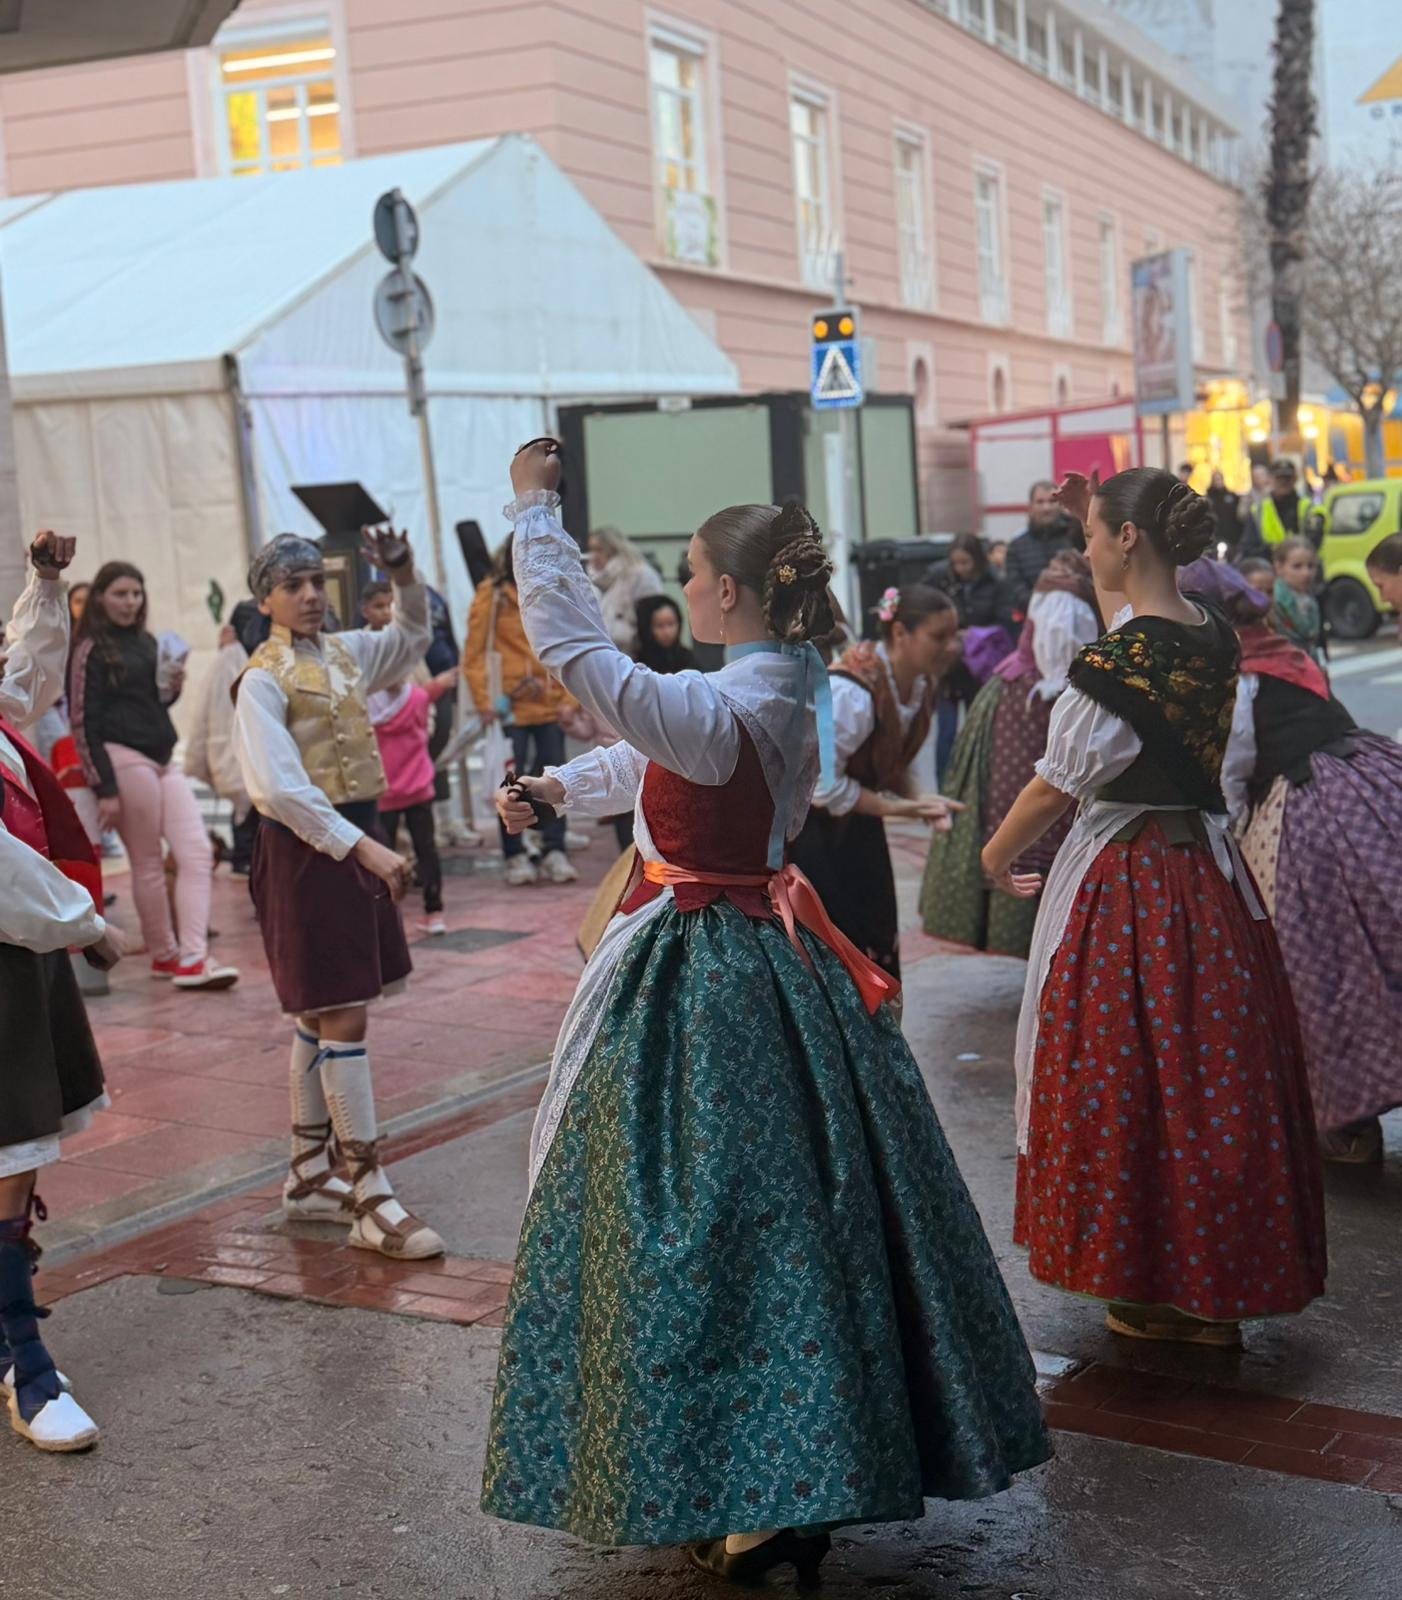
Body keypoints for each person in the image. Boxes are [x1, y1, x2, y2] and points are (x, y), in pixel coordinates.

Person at [481, 441, 1049, 1579]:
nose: (681, 586)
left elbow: (581, 659)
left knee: (698, 1227)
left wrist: (536, 513)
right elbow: (656, 754)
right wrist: (558, 784)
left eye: (690, 570)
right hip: (775, 962)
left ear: (728, 590)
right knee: (802, 1221)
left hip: (702, 968)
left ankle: (738, 1487)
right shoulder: (783, 683)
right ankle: (799, 1477)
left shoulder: (730, 696)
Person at [983, 468, 1326, 1349]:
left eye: (1093, 533)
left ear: (1128, 539)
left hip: (1134, 880)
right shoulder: (1211, 631)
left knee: (1124, 1079)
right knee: (1209, 1079)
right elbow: (1135, 646)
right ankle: (1214, 1291)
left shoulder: (1118, 661)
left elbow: (1059, 780)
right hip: (1205, 881)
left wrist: (993, 852)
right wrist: (1092, 513)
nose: (1085, 546)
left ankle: (1152, 1284)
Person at [232, 530, 444, 1261]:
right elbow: (277, 789)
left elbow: (415, 632)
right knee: (341, 1011)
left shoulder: (350, 651)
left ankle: (305, 1175)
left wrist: (407, 572)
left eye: (316, 581)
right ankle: (368, 1190)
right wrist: (364, 846)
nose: (312, 595)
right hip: (305, 849)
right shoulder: (261, 679)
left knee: (322, 1009)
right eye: (293, 586)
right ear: (265, 599)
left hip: (351, 834)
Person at [1198, 557, 1402, 1165]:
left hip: (1305, 808)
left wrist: (1222, 847)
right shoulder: (1282, 650)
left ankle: (1345, 1115)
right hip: (1368, 777)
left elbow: (1233, 775)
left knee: (1313, 962)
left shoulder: (1238, 675)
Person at [1, 531, 120, 1452]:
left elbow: (25, 675)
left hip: (18, 950)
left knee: (13, 1160)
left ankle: (13, 1350)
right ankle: (27, 1365)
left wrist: (45, 584)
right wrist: (89, 922)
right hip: (12, 942)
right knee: (8, 1158)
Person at [919, 552, 1100, 959]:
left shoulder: (1064, 578)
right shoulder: (1067, 593)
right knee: (1042, 807)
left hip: (1021, 696)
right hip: (1036, 705)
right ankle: (1040, 936)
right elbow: (1063, 670)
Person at [68, 563, 238, 991]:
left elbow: (153, 701)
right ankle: (166, 954)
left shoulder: (146, 642)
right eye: (121, 594)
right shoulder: (89, 647)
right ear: (101, 598)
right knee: (146, 861)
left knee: (196, 853)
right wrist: (104, 787)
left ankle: (192, 955)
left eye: (137, 594)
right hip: (122, 758)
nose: (130, 602)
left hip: (161, 755)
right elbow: (82, 719)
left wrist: (172, 687)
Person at [789, 585, 959, 983]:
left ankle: (874, 1039)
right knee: (836, 946)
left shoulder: (919, 684)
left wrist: (921, 799)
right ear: (900, 633)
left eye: (954, 635)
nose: (951, 647)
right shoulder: (853, 692)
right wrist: (900, 809)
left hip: (857, 831)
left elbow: (893, 761)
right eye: (938, 637)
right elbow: (822, 786)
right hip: (817, 836)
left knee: (874, 939)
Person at [463, 535, 578, 886]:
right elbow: (474, 653)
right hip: (508, 709)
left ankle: (554, 849)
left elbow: (570, 645)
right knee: (510, 783)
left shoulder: (553, 590)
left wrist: (568, 700)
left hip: (548, 706)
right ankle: (515, 855)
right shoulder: (492, 594)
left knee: (559, 781)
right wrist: (485, 703)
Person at [361, 581, 458, 937]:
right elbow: (427, 695)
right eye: (378, 605)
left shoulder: (367, 704)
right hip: (419, 786)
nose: (386, 612)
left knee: (382, 852)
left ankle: (387, 913)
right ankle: (434, 912)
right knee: (426, 849)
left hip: (385, 790)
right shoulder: (416, 699)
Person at [183, 622, 257, 876]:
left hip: (240, 747)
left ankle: (244, 855)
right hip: (238, 746)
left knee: (247, 808)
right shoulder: (233, 661)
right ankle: (244, 855)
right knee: (246, 808)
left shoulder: (234, 660)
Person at [1002, 480, 1083, 614]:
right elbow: (1015, 587)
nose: (1046, 508)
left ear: (1060, 504)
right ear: (1031, 507)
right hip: (1034, 618)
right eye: (1040, 502)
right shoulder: (1016, 546)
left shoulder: (1076, 536)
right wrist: (1040, 609)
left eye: (1052, 501)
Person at [588, 525, 666, 655]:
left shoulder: (640, 575)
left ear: (612, 550)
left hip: (637, 658)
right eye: (591, 550)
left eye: (599, 550)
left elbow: (653, 620)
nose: (593, 556)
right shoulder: (594, 582)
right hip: (607, 656)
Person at [1238, 458, 1313, 562]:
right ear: (1270, 479)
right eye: (1279, 478)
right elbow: (1248, 548)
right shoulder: (1259, 510)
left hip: (1303, 568)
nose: (1283, 482)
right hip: (1270, 569)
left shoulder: (1308, 507)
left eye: (1287, 478)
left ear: (1295, 479)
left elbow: (1315, 542)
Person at [1272, 538, 1326, 663]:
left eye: (1311, 566)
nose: (1306, 573)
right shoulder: (1274, 602)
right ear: (1279, 568)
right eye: (1297, 566)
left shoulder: (1310, 599)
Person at [634, 594, 696, 675]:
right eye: (659, 625)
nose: (667, 632)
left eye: (671, 624)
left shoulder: (687, 660)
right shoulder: (638, 664)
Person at [1205, 469, 1241, 560]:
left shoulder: (1232, 496)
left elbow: (1238, 515)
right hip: (1215, 536)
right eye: (1215, 479)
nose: (1218, 482)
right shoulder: (1208, 498)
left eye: (1219, 479)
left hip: (1231, 536)